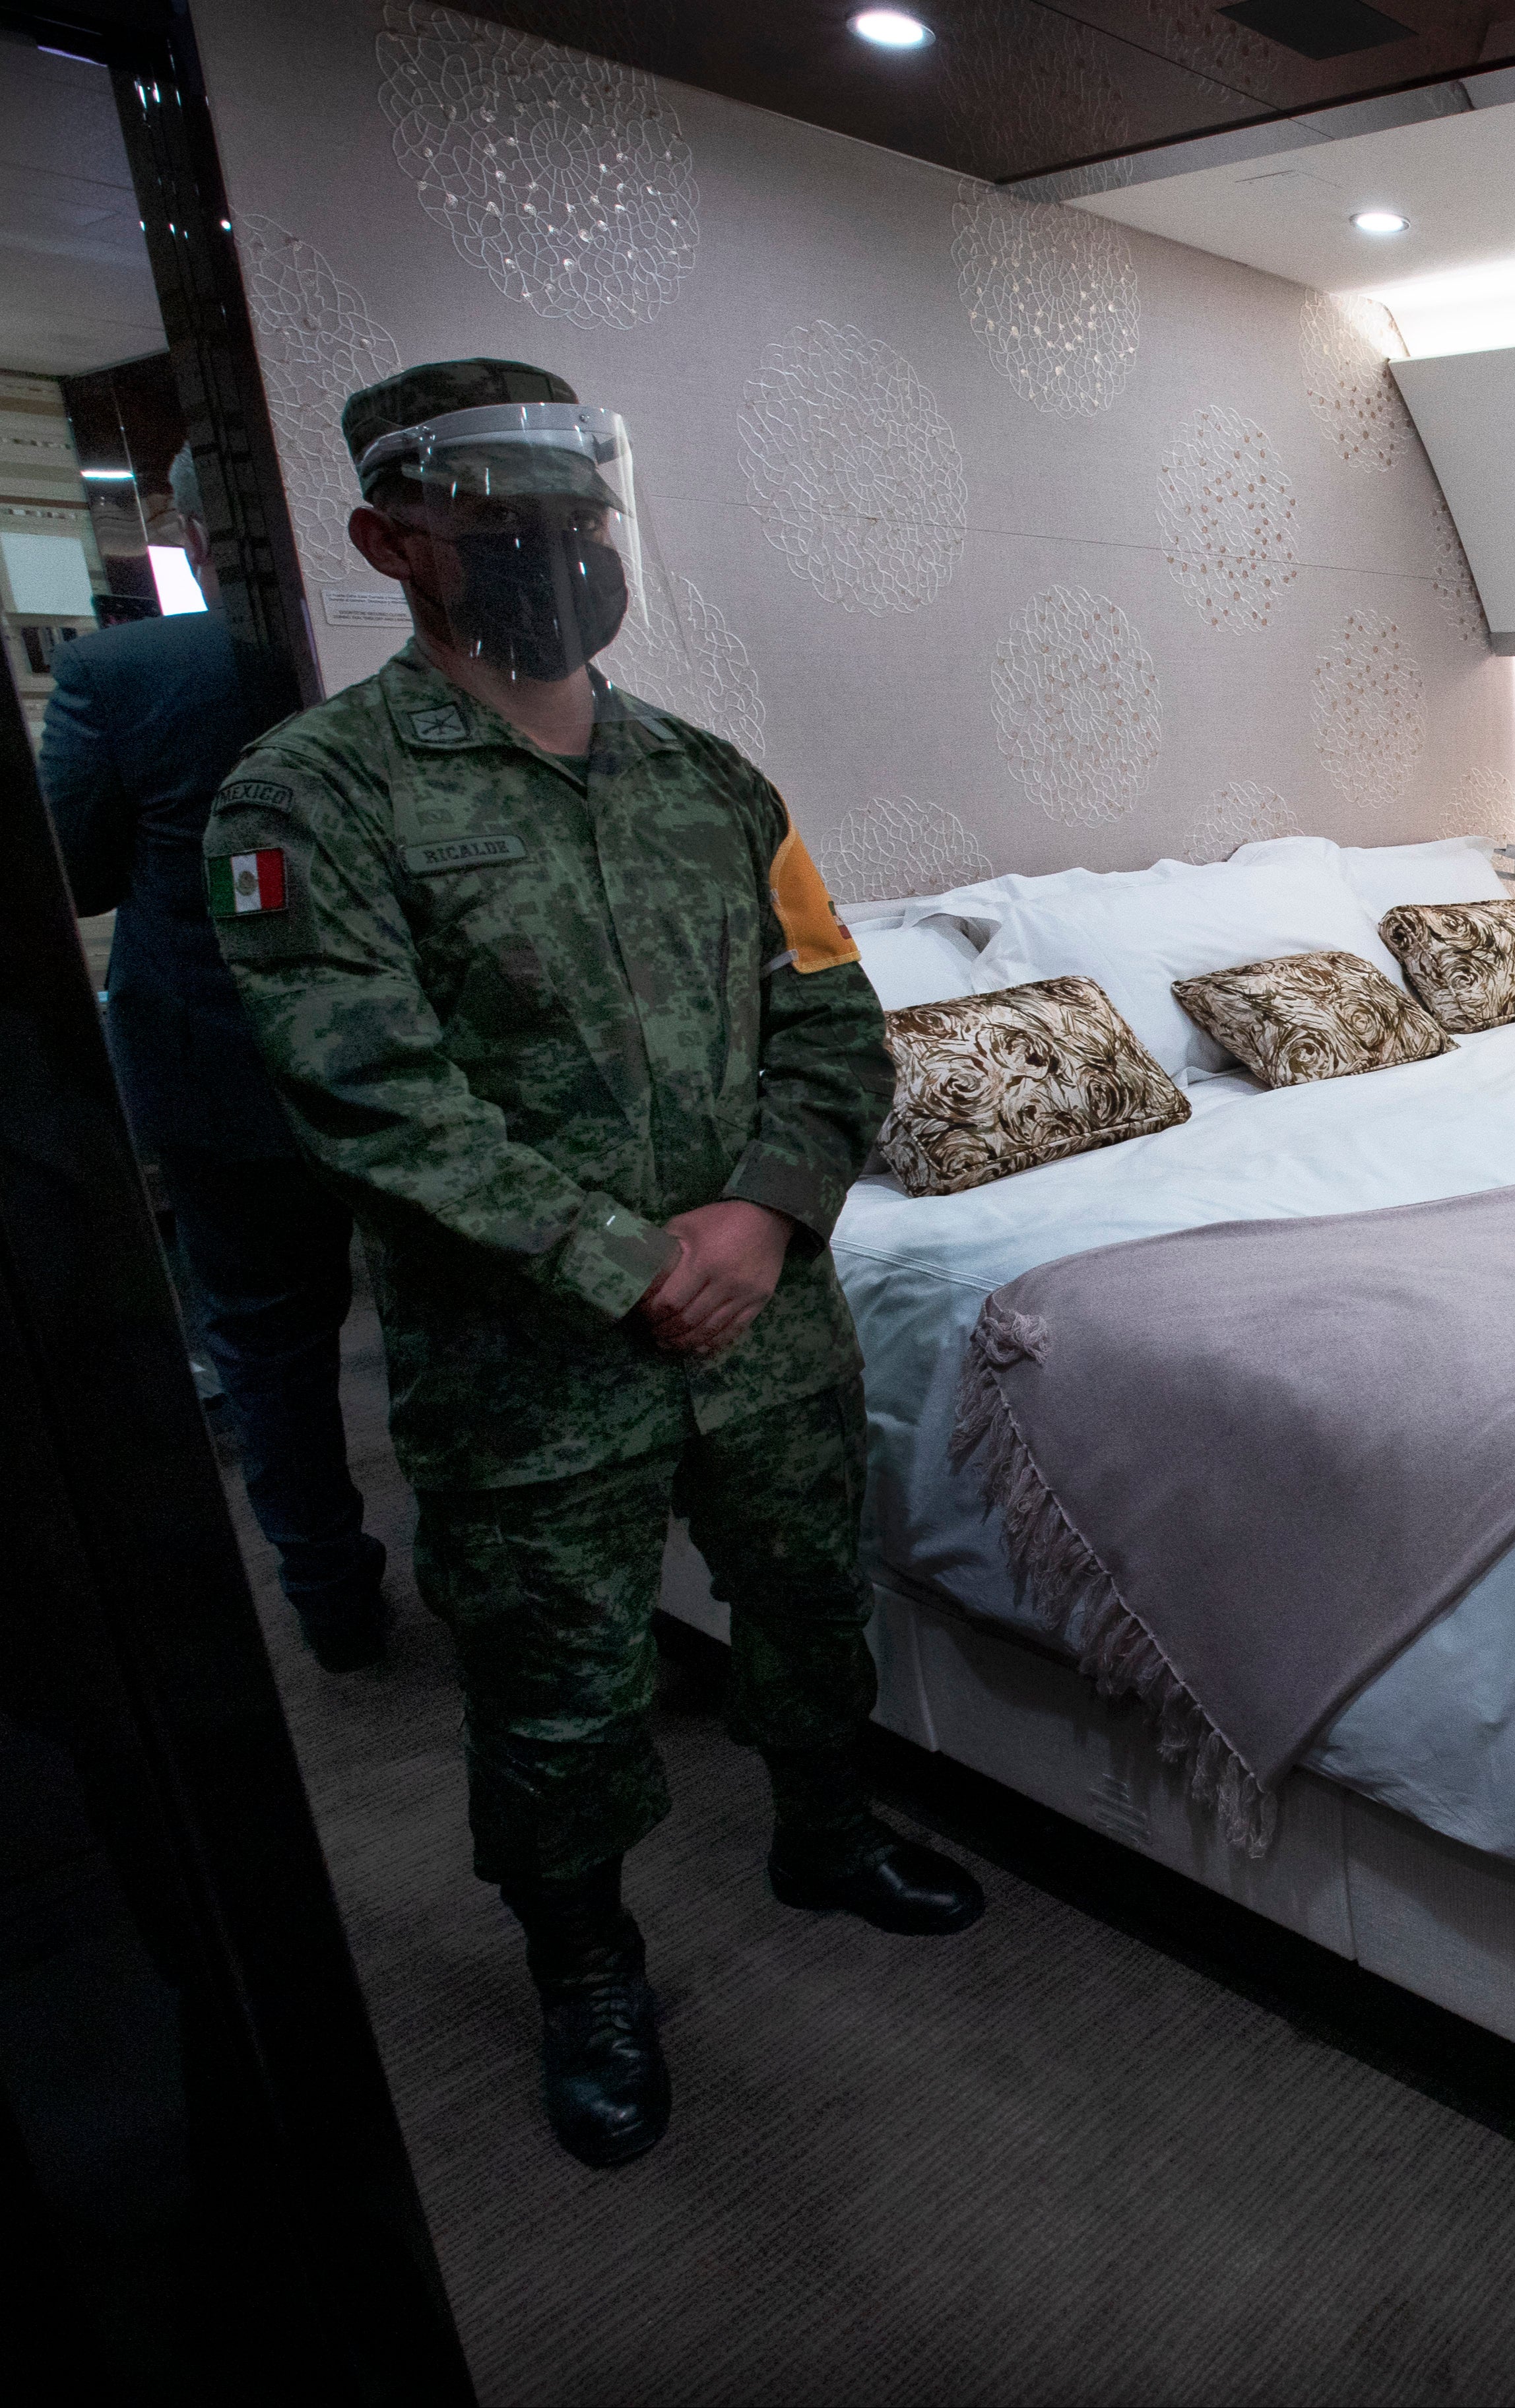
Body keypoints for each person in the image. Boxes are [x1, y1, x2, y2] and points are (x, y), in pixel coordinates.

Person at [203, 359, 983, 2172]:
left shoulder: (715, 782)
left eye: (581, 510)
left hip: (768, 1323)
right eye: (503, 516)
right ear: (394, 538)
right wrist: (629, 1260)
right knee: (555, 1694)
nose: (558, 547)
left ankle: (824, 1829)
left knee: (806, 1599)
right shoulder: (313, 795)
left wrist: (767, 1212)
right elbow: (369, 1094)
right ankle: (587, 1967)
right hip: (531, 1363)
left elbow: (835, 1022)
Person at [42, 445, 391, 1671]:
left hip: (219, 1050)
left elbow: (70, 874)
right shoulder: (409, 654)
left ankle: (331, 1598)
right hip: (406, 1045)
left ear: (188, 531)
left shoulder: (123, 670)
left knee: (265, 1339)